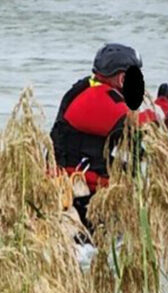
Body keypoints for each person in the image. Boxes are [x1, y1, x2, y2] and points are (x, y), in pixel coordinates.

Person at [50, 43, 168, 228]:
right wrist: (164, 105)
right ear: (122, 79)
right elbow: (137, 125)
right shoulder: (96, 98)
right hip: (82, 197)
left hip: (90, 193)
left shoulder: (93, 90)